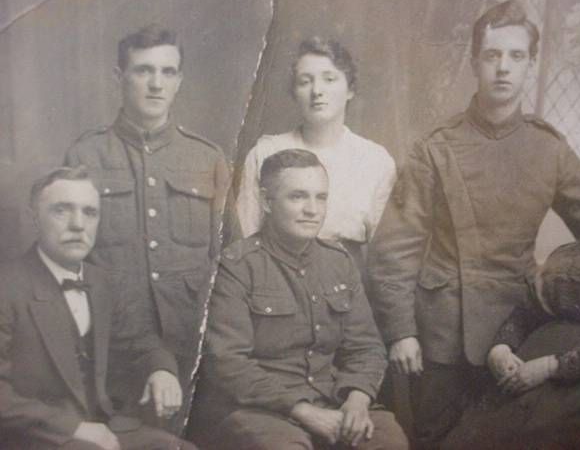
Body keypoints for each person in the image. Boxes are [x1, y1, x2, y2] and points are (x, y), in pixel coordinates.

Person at [366, 0, 580, 447]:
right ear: (475, 62)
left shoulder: (549, 149)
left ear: (531, 64)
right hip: (442, 334)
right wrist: (401, 332)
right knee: (435, 439)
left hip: (518, 331)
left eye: (515, 56)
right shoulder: (437, 146)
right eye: (492, 56)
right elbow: (394, 250)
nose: (503, 68)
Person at [64, 24, 232, 426]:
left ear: (179, 81)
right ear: (119, 78)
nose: (156, 84)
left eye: (167, 72)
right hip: (112, 352)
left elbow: (228, 258)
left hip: (193, 348)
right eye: (143, 71)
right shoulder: (86, 153)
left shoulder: (207, 158)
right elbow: (71, 262)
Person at [190, 149, 408, 449]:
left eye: (321, 197)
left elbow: (367, 348)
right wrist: (304, 411)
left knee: (388, 440)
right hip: (262, 412)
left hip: (332, 399)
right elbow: (228, 364)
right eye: (298, 197)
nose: (312, 209)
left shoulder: (339, 263)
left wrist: (358, 400)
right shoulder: (237, 266)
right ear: (267, 202)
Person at [444, 152, 580, 448]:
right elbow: (527, 311)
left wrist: (550, 367)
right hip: (529, 376)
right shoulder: (567, 252)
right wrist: (501, 347)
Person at [0, 167, 197, 450]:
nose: (78, 225)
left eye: (89, 213)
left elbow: (140, 341)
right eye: (61, 211)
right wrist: (72, 428)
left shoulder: (102, 282)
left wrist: (161, 369)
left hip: (105, 426)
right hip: (35, 435)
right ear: (34, 218)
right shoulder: (6, 286)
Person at [235, 36, 396, 266]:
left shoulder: (375, 161)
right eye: (305, 81)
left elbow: (385, 257)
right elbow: (245, 240)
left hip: (345, 289)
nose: (317, 91)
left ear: (350, 89)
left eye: (329, 79)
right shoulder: (266, 152)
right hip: (274, 286)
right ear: (294, 92)